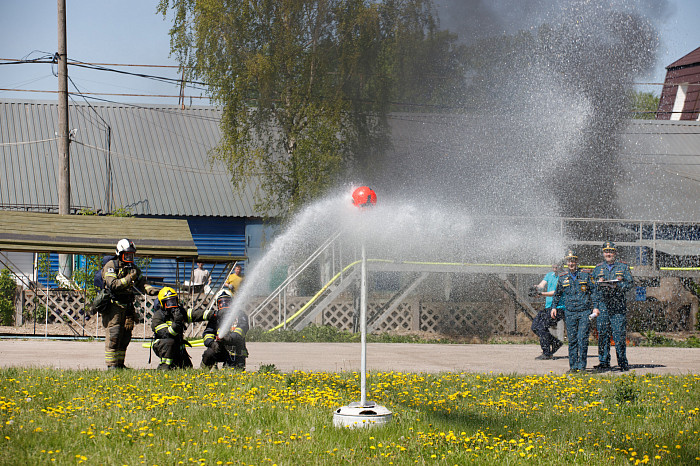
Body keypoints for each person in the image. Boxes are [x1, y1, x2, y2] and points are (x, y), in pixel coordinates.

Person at [100, 238, 160, 369]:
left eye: (131, 255)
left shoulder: (132, 268)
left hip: (127, 306)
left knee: (125, 336)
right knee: (114, 336)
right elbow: (113, 284)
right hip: (114, 307)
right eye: (127, 254)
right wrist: (129, 278)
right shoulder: (111, 266)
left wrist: (150, 289)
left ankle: (120, 364)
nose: (129, 257)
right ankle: (112, 366)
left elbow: (140, 281)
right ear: (119, 253)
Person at [551, 250, 599, 373]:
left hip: (584, 312)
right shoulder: (562, 278)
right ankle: (573, 367)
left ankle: (582, 366)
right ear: (566, 262)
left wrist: (595, 307)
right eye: (569, 261)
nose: (571, 263)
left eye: (573, 260)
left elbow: (593, 291)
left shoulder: (585, 275)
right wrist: (553, 307)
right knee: (572, 340)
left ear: (577, 261)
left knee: (582, 339)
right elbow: (557, 294)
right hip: (570, 312)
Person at [592, 241, 634, 372]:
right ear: (603, 253)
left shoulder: (623, 267)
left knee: (619, 335)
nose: (608, 254)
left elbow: (630, 284)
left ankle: (622, 362)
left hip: (617, 306)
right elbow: (594, 290)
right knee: (603, 334)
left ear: (615, 253)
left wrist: (618, 286)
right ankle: (604, 362)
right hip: (603, 306)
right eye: (606, 251)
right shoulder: (598, 268)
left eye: (611, 251)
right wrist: (595, 306)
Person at [151, 286, 213, 370]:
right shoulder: (158, 316)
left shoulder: (179, 311)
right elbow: (167, 334)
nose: (172, 305)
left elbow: (194, 314)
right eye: (169, 303)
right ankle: (164, 367)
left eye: (174, 301)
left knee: (187, 368)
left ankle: (175, 363)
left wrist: (211, 314)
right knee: (169, 342)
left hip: (177, 345)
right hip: (163, 345)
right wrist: (177, 322)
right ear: (162, 303)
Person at [201, 289, 250, 370]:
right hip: (219, 348)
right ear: (217, 304)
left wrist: (227, 338)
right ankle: (203, 371)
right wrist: (212, 343)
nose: (224, 305)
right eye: (221, 303)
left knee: (233, 373)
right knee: (209, 354)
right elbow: (207, 333)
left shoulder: (240, 315)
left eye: (227, 302)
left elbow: (242, 331)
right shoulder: (215, 316)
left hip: (236, 352)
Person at [532, 263, 565, 360]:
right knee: (535, 327)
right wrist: (536, 288)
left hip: (558, 308)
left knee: (542, 327)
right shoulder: (549, 275)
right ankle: (555, 342)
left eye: (557, 264)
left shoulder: (563, 276)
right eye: (553, 263)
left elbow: (556, 292)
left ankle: (546, 353)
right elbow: (542, 285)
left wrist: (541, 294)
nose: (555, 266)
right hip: (548, 307)